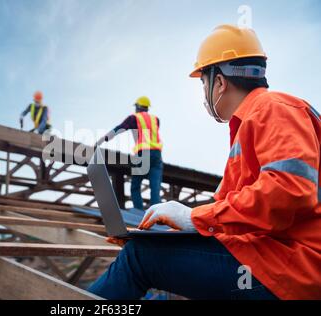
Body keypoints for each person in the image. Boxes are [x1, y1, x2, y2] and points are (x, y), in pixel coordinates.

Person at [88, 25, 321, 300]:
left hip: (293, 267)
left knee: (139, 258)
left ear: (220, 82)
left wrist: (191, 217)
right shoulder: (247, 127)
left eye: (204, 82)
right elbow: (226, 215)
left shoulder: (274, 108)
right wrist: (167, 230)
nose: (205, 92)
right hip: (272, 258)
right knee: (148, 257)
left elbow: (287, 191)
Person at [96, 96, 163, 210]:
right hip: (157, 155)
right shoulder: (155, 119)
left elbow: (120, 128)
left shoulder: (134, 118)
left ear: (137, 106)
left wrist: (103, 139)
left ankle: (139, 212)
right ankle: (156, 214)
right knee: (155, 186)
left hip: (143, 153)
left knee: (135, 186)